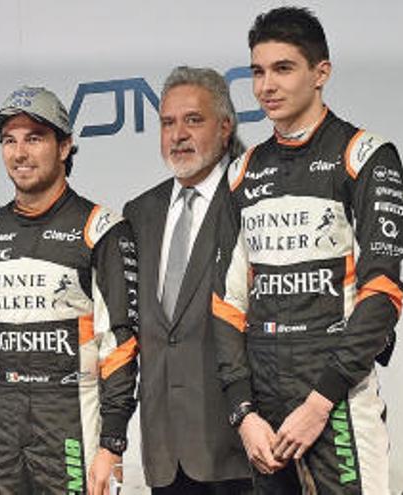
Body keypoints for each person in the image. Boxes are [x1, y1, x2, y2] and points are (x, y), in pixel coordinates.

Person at [212, 7, 403, 494]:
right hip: (263, 400)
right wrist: (242, 413)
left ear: (321, 73)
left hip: (335, 392)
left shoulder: (364, 155)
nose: (265, 87)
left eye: (283, 68)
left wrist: (321, 402)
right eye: (257, 72)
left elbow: (381, 291)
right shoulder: (242, 171)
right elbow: (226, 304)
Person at [0, 86, 139, 495]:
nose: (19, 153)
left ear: (64, 147)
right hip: (1, 429)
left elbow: (118, 346)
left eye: (34, 138)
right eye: (9, 141)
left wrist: (112, 443)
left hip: (71, 423)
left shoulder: (100, 228)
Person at [122, 66, 253, 495]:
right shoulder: (139, 213)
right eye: (167, 122)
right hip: (165, 452)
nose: (178, 134)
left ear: (225, 125)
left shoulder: (248, 200)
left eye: (193, 120)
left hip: (238, 448)